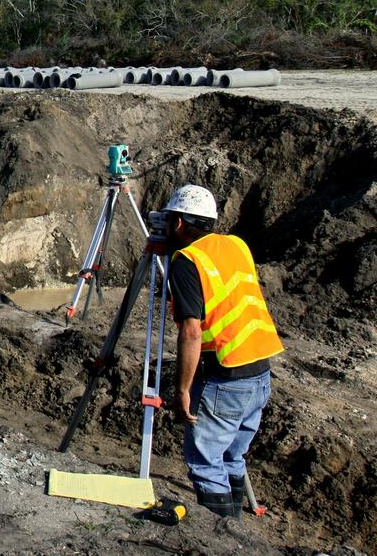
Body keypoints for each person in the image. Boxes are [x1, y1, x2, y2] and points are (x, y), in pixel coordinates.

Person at [163, 184, 284, 518]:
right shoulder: (237, 245)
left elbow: (191, 331)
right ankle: (236, 530)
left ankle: (221, 534)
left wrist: (183, 390)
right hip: (260, 372)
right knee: (232, 456)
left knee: (206, 464)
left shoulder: (187, 261)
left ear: (178, 223)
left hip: (225, 378)